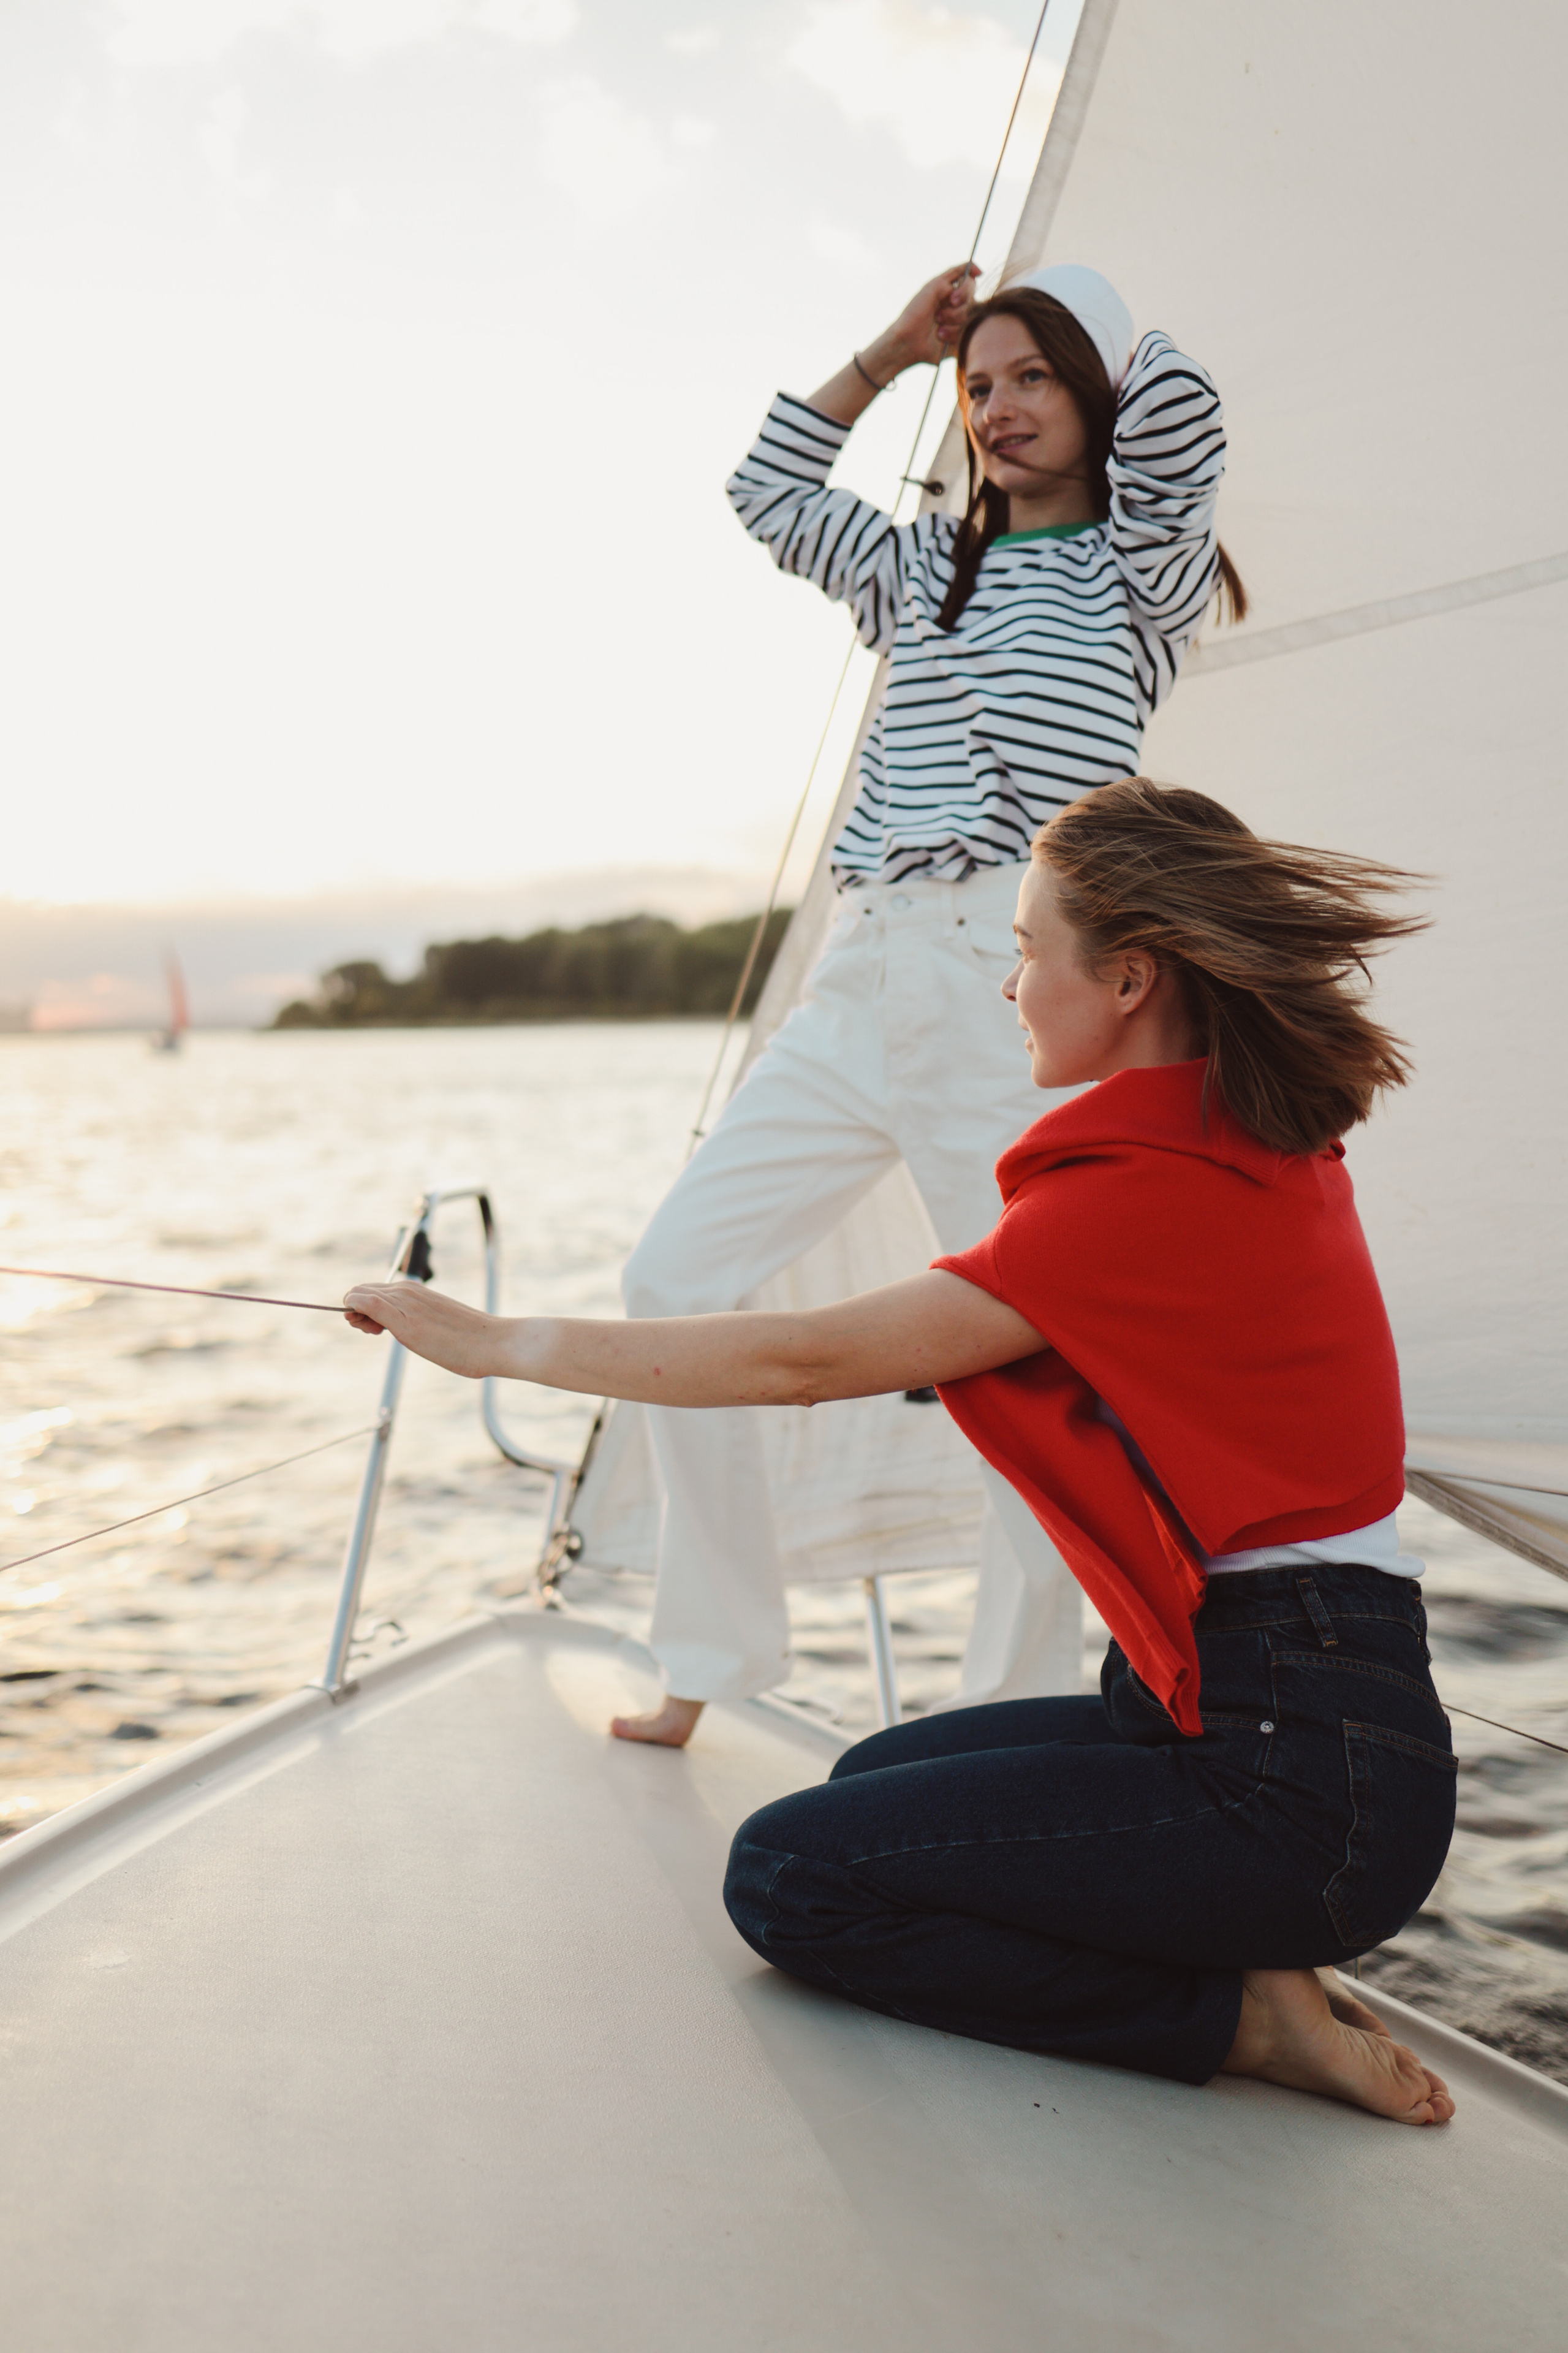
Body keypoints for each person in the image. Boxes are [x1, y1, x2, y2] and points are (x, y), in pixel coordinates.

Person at [344, 778, 1455, 2124]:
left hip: (1297, 1776)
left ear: (1127, 979)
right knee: (875, 1781)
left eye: (1027, 949)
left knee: (791, 1877)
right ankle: (1259, 1963)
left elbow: (800, 1359)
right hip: (1279, 1712)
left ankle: (1239, 2022)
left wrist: (494, 1344)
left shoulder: (1136, 1196)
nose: (1009, 984)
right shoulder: (1246, 1141)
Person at [608, 259, 1244, 1747]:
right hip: (860, 968)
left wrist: (1075, 323)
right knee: (672, 1281)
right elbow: (765, 491)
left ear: (1091, 391)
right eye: (980, 388)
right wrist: (897, 349)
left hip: (1008, 982)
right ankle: (710, 1651)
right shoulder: (916, 568)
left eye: (1032, 380)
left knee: (1035, 1359)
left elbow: (1181, 409)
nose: (996, 408)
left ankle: (1006, 1723)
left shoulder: (1136, 573)